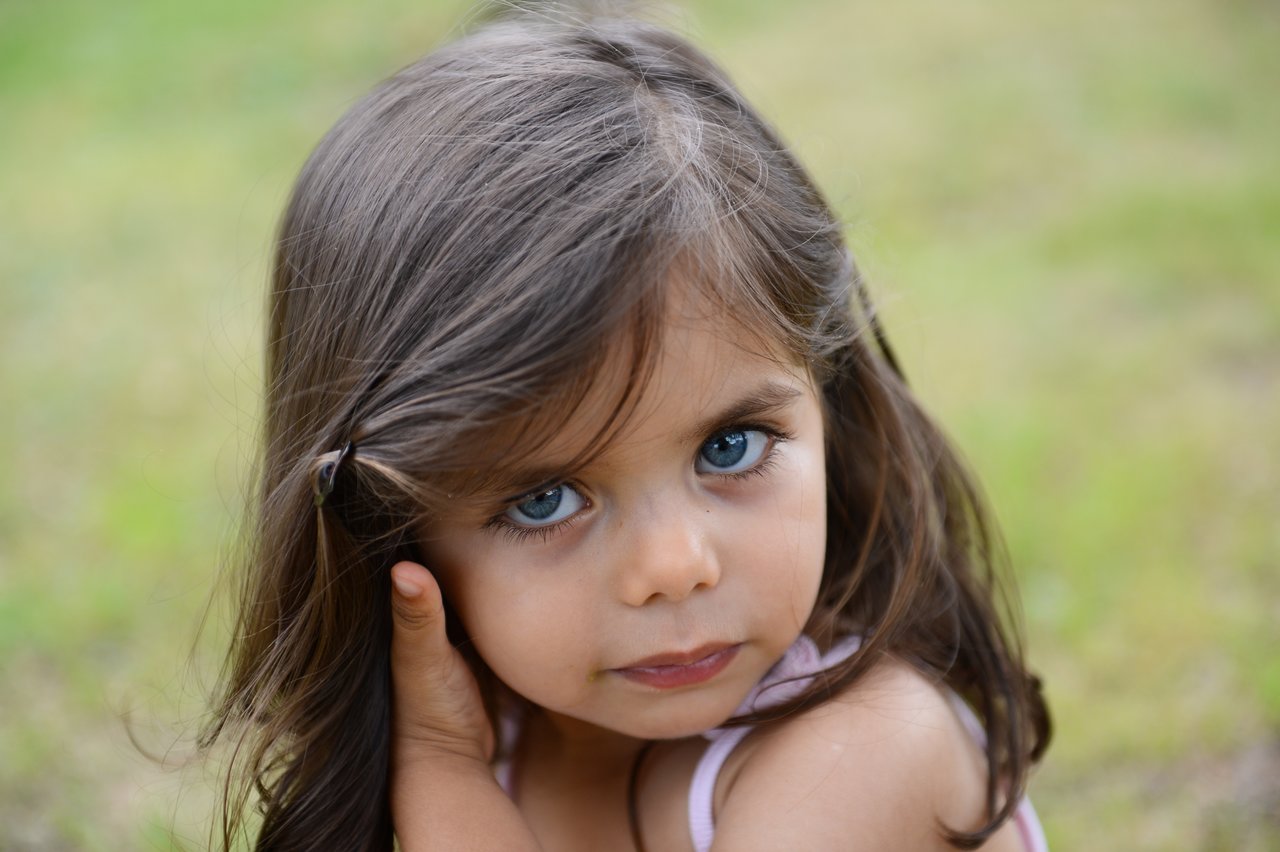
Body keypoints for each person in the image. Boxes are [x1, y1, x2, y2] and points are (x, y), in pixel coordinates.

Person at [200, 4, 1052, 849]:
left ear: (823, 396)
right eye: (544, 500)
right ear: (395, 533)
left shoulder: (864, 754)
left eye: (731, 447)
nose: (675, 568)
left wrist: (443, 777)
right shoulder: (505, 715)